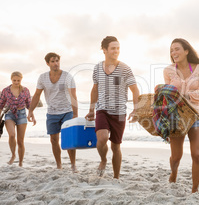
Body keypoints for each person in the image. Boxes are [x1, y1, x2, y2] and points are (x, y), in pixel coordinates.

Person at [85, 36, 139, 179]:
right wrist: (91, 110)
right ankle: (103, 159)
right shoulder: (97, 68)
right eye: (113, 48)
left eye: (118, 48)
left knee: (116, 146)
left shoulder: (125, 69)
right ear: (104, 50)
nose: (116, 51)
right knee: (102, 138)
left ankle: (116, 177)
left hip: (120, 112)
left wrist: (136, 108)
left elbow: (135, 90)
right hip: (102, 109)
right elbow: (95, 89)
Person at [163, 38, 199, 193]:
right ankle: (173, 174)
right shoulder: (168, 70)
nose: (174, 53)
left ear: (186, 50)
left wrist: (185, 97)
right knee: (176, 156)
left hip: (196, 115)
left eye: (177, 49)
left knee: (197, 154)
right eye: (171, 50)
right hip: (176, 116)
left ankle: (195, 190)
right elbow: (169, 93)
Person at [28, 52, 78, 171]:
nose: (56, 63)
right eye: (53, 61)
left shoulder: (67, 76)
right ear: (47, 63)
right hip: (52, 112)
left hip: (67, 111)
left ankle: (73, 165)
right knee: (53, 140)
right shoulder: (42, 78)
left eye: (57, 61)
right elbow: (36, 95)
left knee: (68, 138)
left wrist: (75, 114)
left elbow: (73, 96)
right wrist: (30, 111)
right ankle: (59, 165)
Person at [0, 72, 31, 166]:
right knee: (12, 135)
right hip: (9, 114)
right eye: (14, 80)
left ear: (21, 80)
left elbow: (29, 105)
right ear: (11, 79)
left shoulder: (25, 90)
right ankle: (13, 155)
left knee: (20, 141)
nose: (16, 82)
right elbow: (1, 105)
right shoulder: (5, 90)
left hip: (22, 115)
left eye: (18, 80)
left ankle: (21, 162)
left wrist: (31, 115)